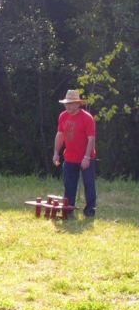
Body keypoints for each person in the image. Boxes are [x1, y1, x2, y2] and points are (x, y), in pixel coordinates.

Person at [52, 89, 97, 217]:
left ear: (78, 104)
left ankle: (89, 211)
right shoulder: (63, 116)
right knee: (69, 185)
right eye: (66, 103)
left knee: (89, 184)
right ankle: (68, 210)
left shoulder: (87, 118)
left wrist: (87, 157)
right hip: (70, 157)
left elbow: (91, 139)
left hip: (86, 157)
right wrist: (56, 153)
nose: (68, 106)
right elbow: (60, 135)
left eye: (71, 103)